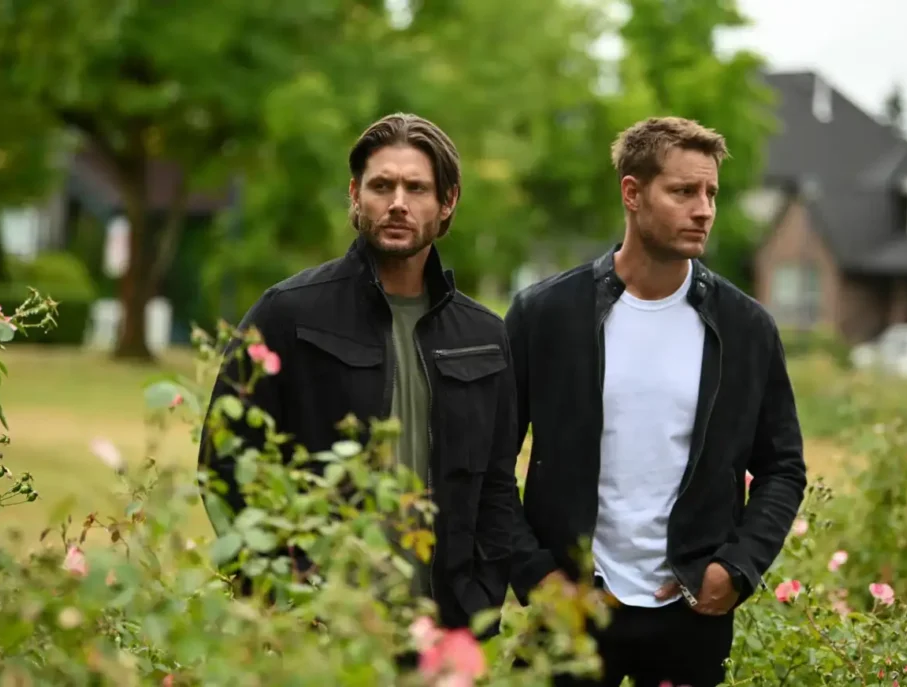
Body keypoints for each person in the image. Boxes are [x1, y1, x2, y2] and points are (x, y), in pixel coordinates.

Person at [504, 116, 808, 686]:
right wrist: (536, 575)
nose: (704, 209)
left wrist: (736, 569)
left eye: (711, 193)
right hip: (572, 609)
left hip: (688, 617)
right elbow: (491, 465)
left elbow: (783, 468)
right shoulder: (545, 315)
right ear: (632, 193)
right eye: (683, 191)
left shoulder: (746, 328)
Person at [197, 112, 517, 637]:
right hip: (322, 633)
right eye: (381, 185)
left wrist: (480, 599)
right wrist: (276, 595)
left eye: (416, 188)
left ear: (448, 201)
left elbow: (498, 487)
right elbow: (223, 462)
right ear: (355, 193)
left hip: (443, 635)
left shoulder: (484, 334)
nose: (397, 202)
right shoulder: (288, 314)